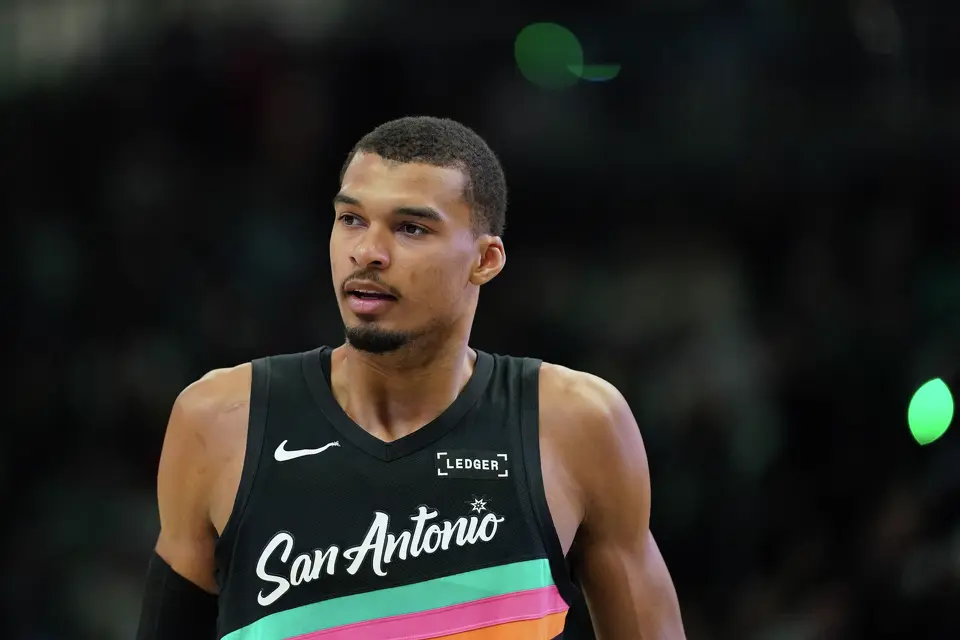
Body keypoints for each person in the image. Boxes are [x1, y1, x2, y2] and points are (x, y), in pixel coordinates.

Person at [136, 116, 686, 640]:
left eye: (410, 228)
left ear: (485, 260)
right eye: (351, 219)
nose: (367, 252)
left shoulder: (576, 423)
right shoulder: (220, 419)